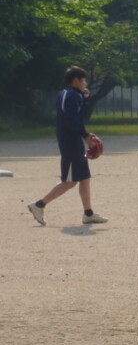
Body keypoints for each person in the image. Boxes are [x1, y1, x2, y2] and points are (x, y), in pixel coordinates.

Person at [27, 66, 109, 226]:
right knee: (70, 181)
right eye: (83, 80)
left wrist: (85, 100)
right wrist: (85, 135)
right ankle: (38, 205)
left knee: (85, 178)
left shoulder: (70, 95)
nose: (85, 83)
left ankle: (88, 214)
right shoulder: (72, 96)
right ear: (76, 80)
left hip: (73, 141)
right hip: (70, 142)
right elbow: (72, 121)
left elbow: (77, 118)